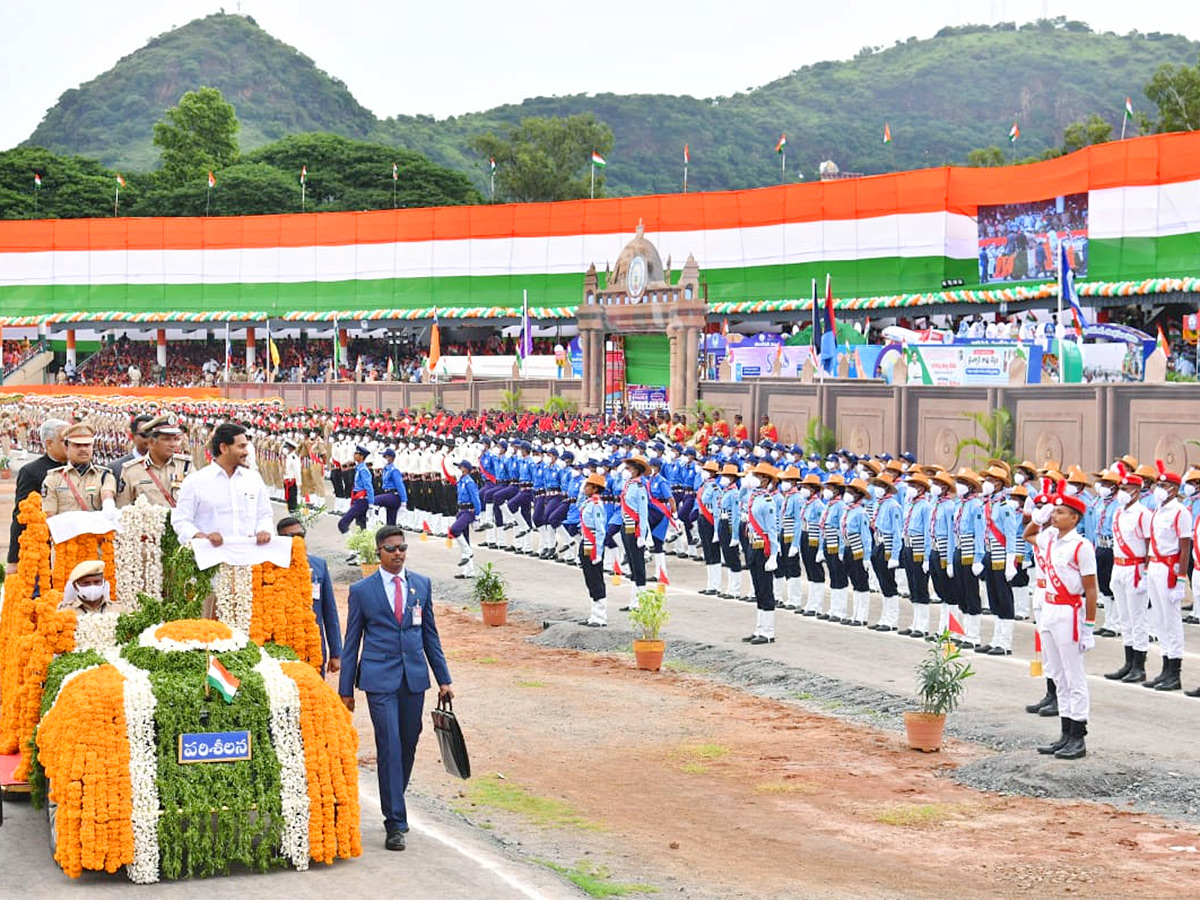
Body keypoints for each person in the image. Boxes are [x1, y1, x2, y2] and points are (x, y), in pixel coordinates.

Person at [339, 526, 453, 852]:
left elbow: (430, 636)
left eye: (402, 547)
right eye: (391, 549)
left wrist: (444, 679)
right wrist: (345, 690)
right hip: (378, 680)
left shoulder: (421, 585)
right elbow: (352, 643)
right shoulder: (363, 591)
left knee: (407, 743)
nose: (398, 553)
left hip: (413, 679)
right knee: (388, 742)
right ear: (379, 553)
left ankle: (394, 797)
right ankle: (395, 822)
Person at [1025, 492, 1098, 759]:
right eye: (1053, 512)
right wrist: (1038, 518)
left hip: (1070, 611)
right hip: (1049, 608)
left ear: (1074, 517)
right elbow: (1028, 534)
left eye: (1059, 512)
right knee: (1056, 673)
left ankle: (1078, 736)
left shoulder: (1081, 547)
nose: (1054, 516)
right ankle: (1065, 733)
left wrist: (1088, 627)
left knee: (1073, 675)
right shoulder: (1051, 539)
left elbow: (1091, 590)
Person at [172, 422, 274, 546]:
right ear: (224, 448)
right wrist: (201, 537)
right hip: (212, 559)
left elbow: (265, 515)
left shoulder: (253, 479)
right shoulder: (196, 481)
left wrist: (263, 530)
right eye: (241, 447)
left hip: (249, 558)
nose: (246, 452)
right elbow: (181, 520)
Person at [277, 516, 342, 677]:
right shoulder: (272, 567)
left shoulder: (318, 565)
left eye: (301, 535)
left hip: (313, 647)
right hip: (282, 647)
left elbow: (330, 612)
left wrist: (336, 653)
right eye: (291, 537)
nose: (297, 540)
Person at [7, 417, 69, 571]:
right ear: (49, 443)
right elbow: (21, 515)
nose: (71, 445)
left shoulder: (81, 468)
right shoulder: (31, 472)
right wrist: (13, 559)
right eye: (64, 441)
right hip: (45, 549)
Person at [41, 423, 118, 516]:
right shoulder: (54, 479)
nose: (83, 449)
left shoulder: (104, 476)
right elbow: (49, 515)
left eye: (87, 445)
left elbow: (107, 493)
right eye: (77, 445)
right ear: (66, 448)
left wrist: (108, 505)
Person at [117, 413, 190, 509]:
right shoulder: (131, 471)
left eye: (175, 439)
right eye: (167, 439)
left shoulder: (186, 466)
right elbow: (123, 509)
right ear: (151, 442)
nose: (173, 444)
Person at [579, 472, 610, 626]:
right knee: (589, 579)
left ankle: (601, 616)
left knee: (596, 578)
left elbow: (600, 531)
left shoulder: (596, 505)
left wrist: (598, 552)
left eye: (587, 486)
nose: (584, 488)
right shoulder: (588, 502)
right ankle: (594, 615)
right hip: (585, 541)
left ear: (595, 488)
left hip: (592, 543)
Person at [450, 460, 483, 579]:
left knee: (454, 529)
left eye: (461, 468)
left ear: (466, 469)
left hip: (469, 512)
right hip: (461, 510)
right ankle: (469, 571)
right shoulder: (461, 481)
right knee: (465, 539)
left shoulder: (469, 482)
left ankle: (468, 553)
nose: (458, 469)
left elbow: (476, 499)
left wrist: (477, 516)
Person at [109, 413, 153, 492]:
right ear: (132, 436)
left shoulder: (168, 465)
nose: (150, 439)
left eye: (154, 435)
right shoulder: (117, 468)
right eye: (145, 435)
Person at [338, 445, 375, 535]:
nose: (354, 455)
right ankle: (361, 545)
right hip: (358, 499)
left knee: (342, 524)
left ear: (361, 456)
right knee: (361, 525)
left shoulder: (363, 470)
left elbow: (368, 487)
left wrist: (371, 503)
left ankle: (352, 543)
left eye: (356, 454)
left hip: (361, 500)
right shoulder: (359, 468)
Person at [283, 438, 302, 512]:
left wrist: (298, 483)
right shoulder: (289, 457)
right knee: (289, 501)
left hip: (292, 482)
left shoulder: (294, 458)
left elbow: (297, 471)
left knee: (293, 501)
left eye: (287, 447)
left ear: (291, 448)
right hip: (287, 481)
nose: (285, 449)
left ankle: (294, 515)